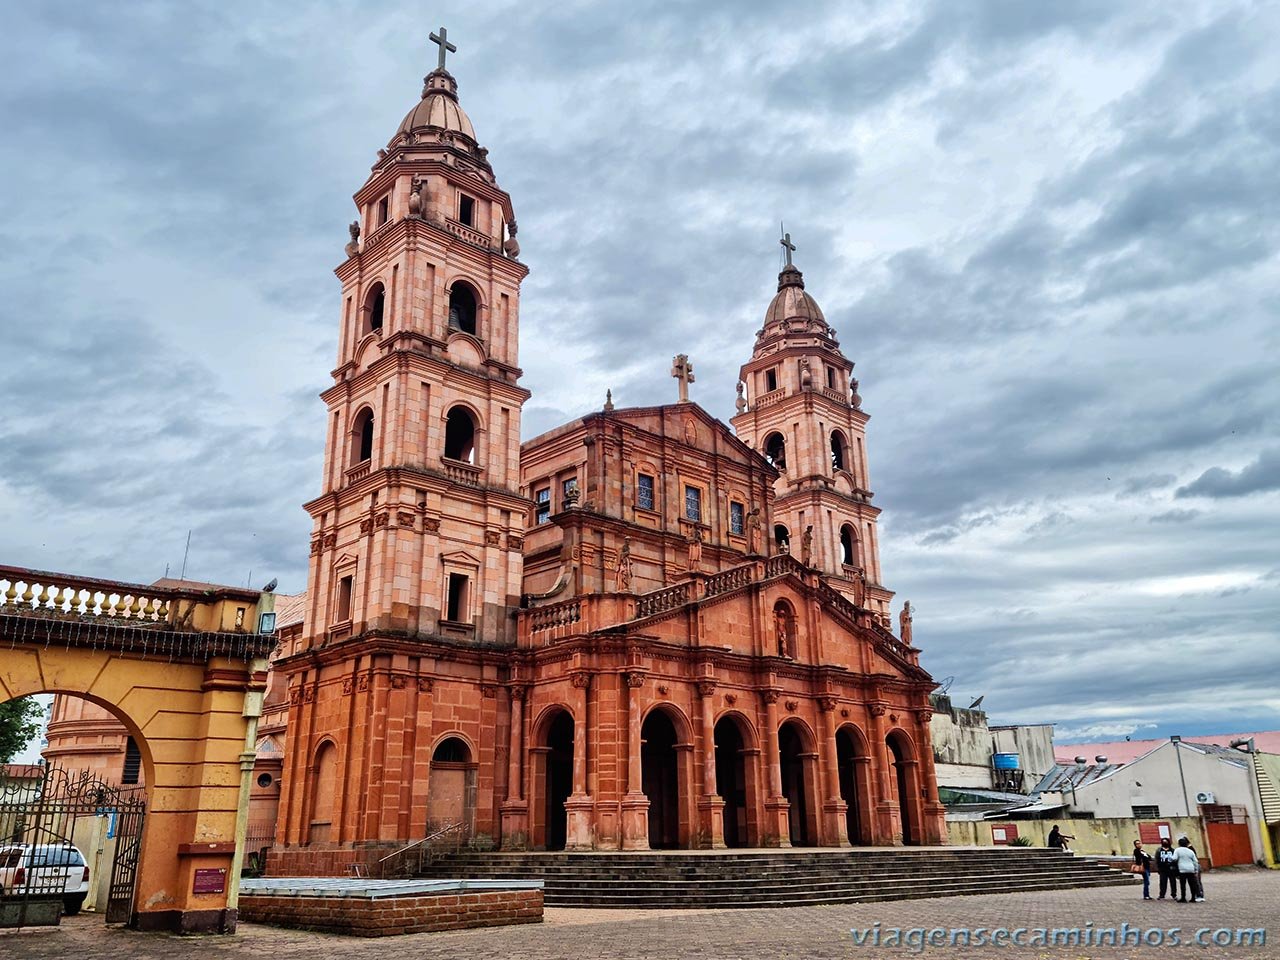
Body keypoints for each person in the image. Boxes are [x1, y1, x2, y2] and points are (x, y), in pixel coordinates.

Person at [1173, 836, 1204, 902]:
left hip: (1182, 869)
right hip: (1191, 869)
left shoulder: (1177, 850)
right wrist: (1195, 870)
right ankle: (1193, 897)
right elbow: (1195, 861)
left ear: (1179, 844)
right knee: (1192, 884)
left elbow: (1174, 858)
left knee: (1183, 884)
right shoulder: (1190, 851)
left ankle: (1183, 897)